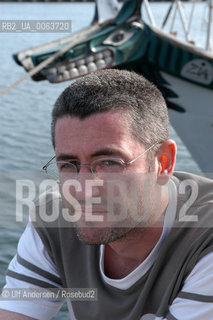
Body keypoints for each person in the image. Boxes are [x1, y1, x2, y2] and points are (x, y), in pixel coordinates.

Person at [0, 69, 213, 320]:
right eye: (68, 165)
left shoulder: (204, 238)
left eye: (110, 163)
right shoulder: (54, 219)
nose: (82, 190)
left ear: (163, 162)